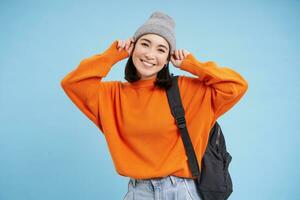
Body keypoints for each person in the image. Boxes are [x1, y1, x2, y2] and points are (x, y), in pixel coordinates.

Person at [61, 11, 248, 200]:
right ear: (133, 47)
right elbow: (73, 83)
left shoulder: (186, 90)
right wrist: (113, 55)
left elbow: (236, 86)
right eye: (145, 44)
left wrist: (192, 64)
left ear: (168, 58)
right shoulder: (112, 95)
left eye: (161, 49)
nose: (151, 54)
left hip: (181, 191)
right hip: (139, 191)